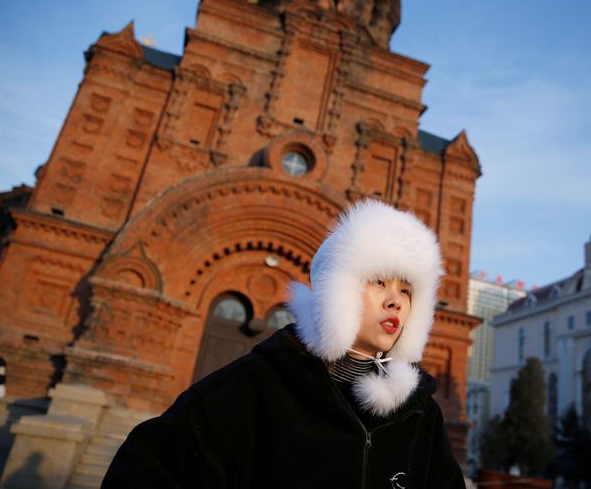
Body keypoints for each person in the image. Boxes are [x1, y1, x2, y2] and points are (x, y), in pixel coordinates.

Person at [104, 199, 465, 488]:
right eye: (379, 283)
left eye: (406, 291)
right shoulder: (258, 385)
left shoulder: (419, 414)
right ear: (337, 290)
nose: (396, 302)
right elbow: (147, 469)